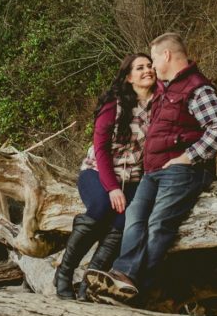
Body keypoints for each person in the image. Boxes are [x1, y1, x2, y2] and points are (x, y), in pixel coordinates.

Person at [85, 32, 217, 303]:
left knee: (158, 224)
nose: (151, 65)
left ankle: (136, 286)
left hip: (182, 171)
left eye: (152, 59)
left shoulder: (197, 88)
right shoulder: (167, 89)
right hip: (154, 172)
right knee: (134, 218)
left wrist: (188, 157)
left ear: (166, 55)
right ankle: (121, 277)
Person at [54, 53, 155, 299]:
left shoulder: (160, 105)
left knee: (124, 221)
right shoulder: (116, 104)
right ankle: (64, 272)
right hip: (99, 172)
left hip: (133, 178)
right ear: (129, 77)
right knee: (101, 207)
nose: (147, 70)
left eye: (150, 66)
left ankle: (90, 282)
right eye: (140, 68)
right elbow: (100, 149)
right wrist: (112, 187)